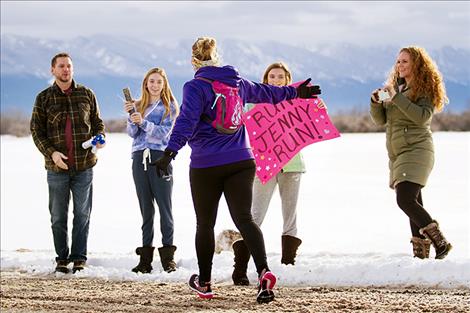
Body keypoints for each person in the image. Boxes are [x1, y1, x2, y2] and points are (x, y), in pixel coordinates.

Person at [153, 37, 321, 303]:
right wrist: (296, 92)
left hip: (206, 164)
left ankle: (205, 283)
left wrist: (170, 152)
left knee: (205, 223)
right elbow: (269, 93)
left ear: (194, 61)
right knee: (245, 219)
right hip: (242, 161)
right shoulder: (238, 82)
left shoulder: (195, 86)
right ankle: (264, 272)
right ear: (217, 57)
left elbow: (186, 121)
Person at [231, 62, 326, 286]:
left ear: (287, 79)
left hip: (292, 165)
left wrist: (318, 106)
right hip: (264, 165)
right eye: (271, 77)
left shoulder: (297, 100)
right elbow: (240, 124)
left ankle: (288, 265)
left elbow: (316, 117)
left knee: (290, 216)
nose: (275, 80)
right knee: (254, 216)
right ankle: (241, 267)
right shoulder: (253, 103)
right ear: (266, 80)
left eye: (280, 77)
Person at [369, 46, 452, 260]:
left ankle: (439, 241)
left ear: (417, 64)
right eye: (398, 62)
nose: (400, 65)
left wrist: (396, 97)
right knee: (414, 201)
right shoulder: (399, 88)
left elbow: (421, 117)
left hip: (417, 149)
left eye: (405, 61)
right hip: (398, 153)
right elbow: (381, 121)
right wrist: (376, 103)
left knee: (404, 199)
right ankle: (420, 255)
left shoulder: (423, 90)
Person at [30, 52, 106, 274]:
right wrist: (52, 153)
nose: (66, 70)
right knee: (58, 216)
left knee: (82, 214)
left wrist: (100, 138)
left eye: (69, 66)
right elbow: (36, 131)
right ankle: (62, 258)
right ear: (52, 70)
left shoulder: (86, 94)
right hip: (57, 168)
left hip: (84, 166)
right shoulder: (44, 98)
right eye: (61, 66)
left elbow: (98, 123)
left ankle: (79, 257)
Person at [124, 68, 179, 274]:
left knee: (165, 207)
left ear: (164, 85)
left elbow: (163, 134)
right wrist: (132, 118)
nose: (155, 85)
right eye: (151, 81)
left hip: (160, 158)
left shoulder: (169, 107)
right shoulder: (138, 105)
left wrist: (144, 122)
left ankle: (168, 257)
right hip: (139, 158)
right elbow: (132, 133)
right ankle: (145, 258)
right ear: (145, 83)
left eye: (158, 82)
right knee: (146, 208)